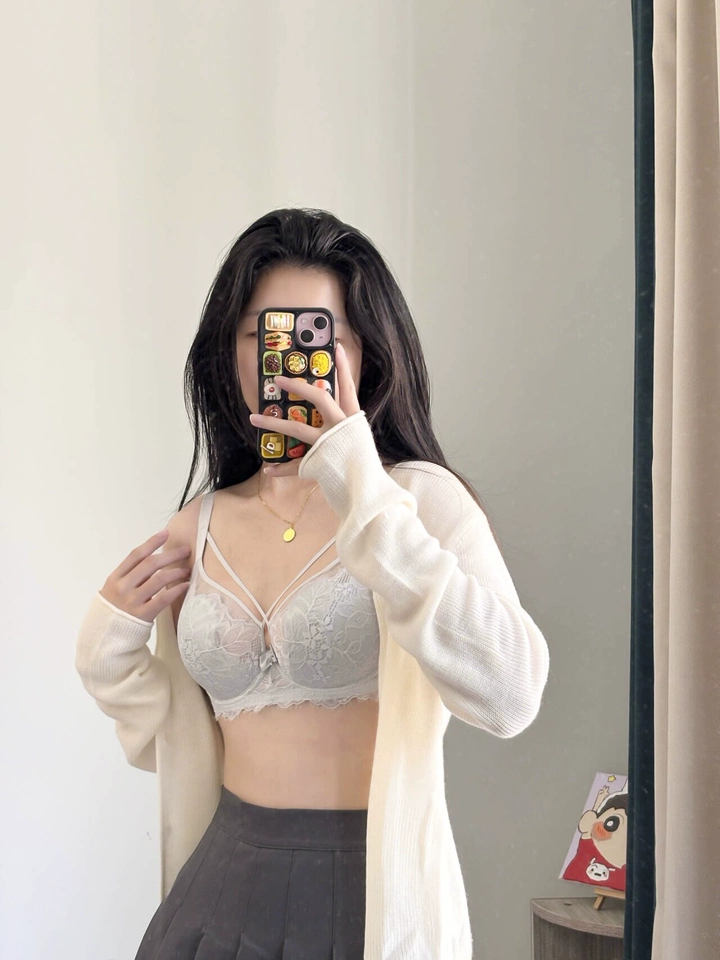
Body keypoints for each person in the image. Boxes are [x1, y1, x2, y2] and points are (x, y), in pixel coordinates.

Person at [75, 207, 551, 960]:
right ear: (230, 353)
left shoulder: (419, 502)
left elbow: (511, 695)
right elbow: (175, 745)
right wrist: (105, 649)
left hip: (369, 898)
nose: (291, 360)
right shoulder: (196, 526)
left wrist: (360, 484)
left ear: (364, 351)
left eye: (320, 334)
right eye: (263, 333)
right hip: (216, 893)